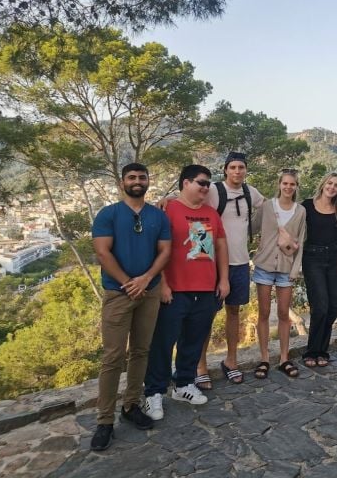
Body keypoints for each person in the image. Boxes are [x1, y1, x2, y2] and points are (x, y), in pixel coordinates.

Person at [90, 163, 172, 451]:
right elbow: (102, 252)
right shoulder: (108, 214)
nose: (137, 181)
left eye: (142, 177)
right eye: (132, 177)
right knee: (113, 356)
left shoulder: (157, 216)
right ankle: (104, 421)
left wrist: (147, 279)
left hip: (149, 293)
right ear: (122, 182)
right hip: (118, 293)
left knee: (141, 351)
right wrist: (128, 282)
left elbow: (165, 252)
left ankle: (131, 406)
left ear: (149, 181)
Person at [143, 165, 229, 422]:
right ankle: (154, 392)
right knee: (163, 343)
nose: (205, 188)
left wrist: (223, 280)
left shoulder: (211, 214)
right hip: (175, 290)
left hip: (205, 289)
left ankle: (184, 384)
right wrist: (163, 284)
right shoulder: (167, 210)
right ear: (185, 183)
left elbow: (221, 247)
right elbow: (157, 250)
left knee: (193, 340)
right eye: (201, 183)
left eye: (208, 184)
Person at [195, 152, 264, 389]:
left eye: (241, 167)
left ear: (245, 170)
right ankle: (201, 365)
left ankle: (231, 360)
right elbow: (192, 200)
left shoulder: (250, 192)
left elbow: (268, 208)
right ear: (225, 170)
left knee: (234, 312)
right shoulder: (214, 190)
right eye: (233, 167)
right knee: (207, 314)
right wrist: (168, 198)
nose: (237, 171)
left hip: (241, 262)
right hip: (213, 264)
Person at [252, 168, 306, 379]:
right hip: (264, 266)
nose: (288, 187)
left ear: (296, 187)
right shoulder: (267, 206)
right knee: (264, 314)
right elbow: (252, 227)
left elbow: (300, 242)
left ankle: (284, 357)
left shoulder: (300, 211)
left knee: (284, 314)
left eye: (292, 184)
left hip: (286, 269)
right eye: (285, 183)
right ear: (279, 185)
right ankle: (264, 358)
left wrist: (295, 270)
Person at [301, 172, 337, 368]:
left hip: (333, 259)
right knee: (320, 306)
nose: (332, 187)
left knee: (334, 306)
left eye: (336, 185)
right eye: (330, 183)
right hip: (312, 258)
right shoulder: (307, 205)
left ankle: (322, 350)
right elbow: (295, 229)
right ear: (323, 184)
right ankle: (312, 350)